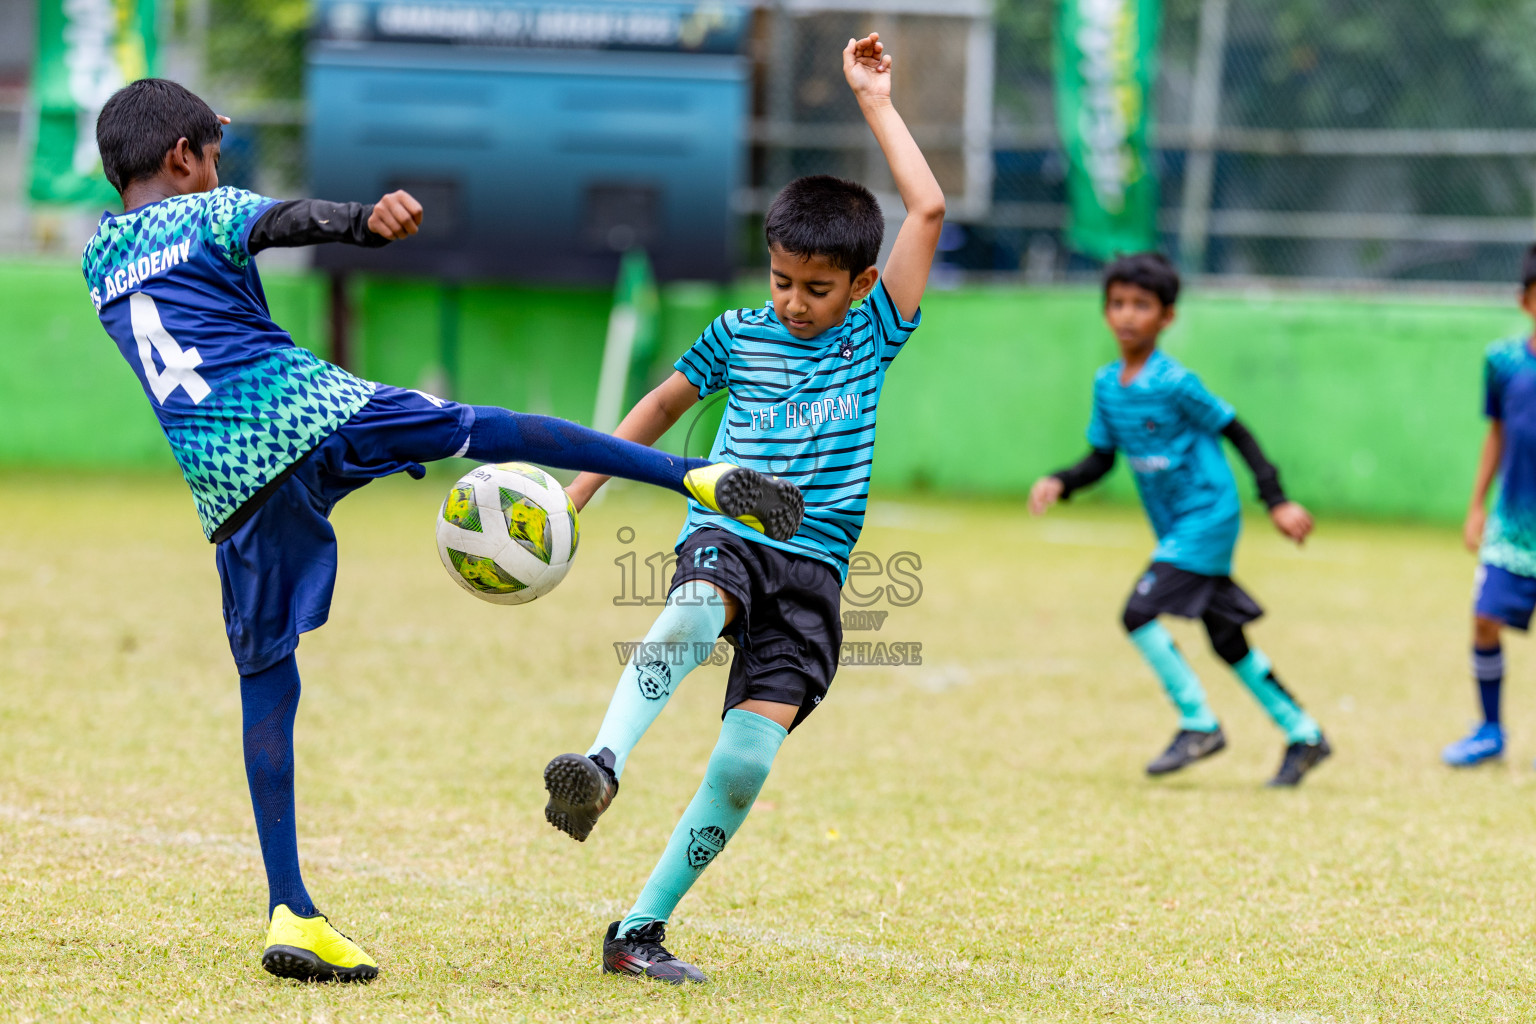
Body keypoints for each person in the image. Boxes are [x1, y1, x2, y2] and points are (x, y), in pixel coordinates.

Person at [81, 77, 803, 983]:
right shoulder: (206, 209)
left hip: (225, 479)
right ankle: (693, 475)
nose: (219, 168)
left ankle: (290, 909)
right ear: (184, 158)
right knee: (486, 429)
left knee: (267, 686)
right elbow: (280, 222)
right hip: (301, 412)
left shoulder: (99, 258)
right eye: (214, 153)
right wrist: (360, 219)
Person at [539, 33, 945, 983]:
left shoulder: (877, 331)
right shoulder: (737, 334)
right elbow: (657, 410)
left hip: (818, 566)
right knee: (690, 606)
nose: (795, 303)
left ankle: (637, 931)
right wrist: (577, 495)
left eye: (816, 288)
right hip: (732, 524)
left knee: (746, 763)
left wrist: (875, 101)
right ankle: (601, 762)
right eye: (781, 280)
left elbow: (926, 205)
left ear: (861, 284)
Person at [1029, 252, 1331, 787]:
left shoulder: (1175, 382)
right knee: (1226, 638)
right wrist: (1062, 480)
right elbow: (1102, 457)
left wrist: (1276, 499)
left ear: (1167, 317)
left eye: (1141, 306)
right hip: (1174, 525)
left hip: (1207, 515)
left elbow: (1237, 430)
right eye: (1117, 304)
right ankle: (1303, 733)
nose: (1127, 316)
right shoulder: (1107, 385)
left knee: (1138, 612)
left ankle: (1199, 724)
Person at [1443, 245, 1536, 767]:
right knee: (1484, 618)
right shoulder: (1503, 361)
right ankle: (1490, 729)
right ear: (1525, 301)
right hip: (1514, 525)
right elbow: (1497, 434)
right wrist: (1477, 505)